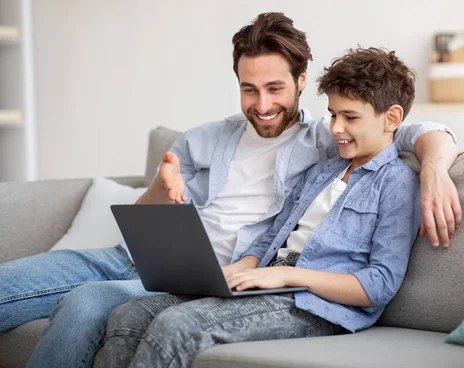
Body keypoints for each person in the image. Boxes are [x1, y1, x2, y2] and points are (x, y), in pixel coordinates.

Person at [0, 13, 459, 368]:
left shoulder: (328, 143)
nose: (262, 105)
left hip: (258, 286)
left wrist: (434, 167)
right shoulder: (213, 140)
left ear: (302, 82)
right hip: (133, 256)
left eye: (275, 88)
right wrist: (165, 188)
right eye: (249, 89)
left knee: (95, 306)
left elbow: (403, 131)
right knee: (32, 292)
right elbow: (263, 233)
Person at [104, 46, 422, 368]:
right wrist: (235, 270)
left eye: (350, 117)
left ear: (392, 118)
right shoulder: (324, 170)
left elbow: (379, 285)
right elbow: (273, 233)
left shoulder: (397, 183)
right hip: (268, 285)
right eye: (333, 115)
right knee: (130, 315)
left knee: (177, 326)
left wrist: (286, 275)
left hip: (314, 305)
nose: (336, 128)